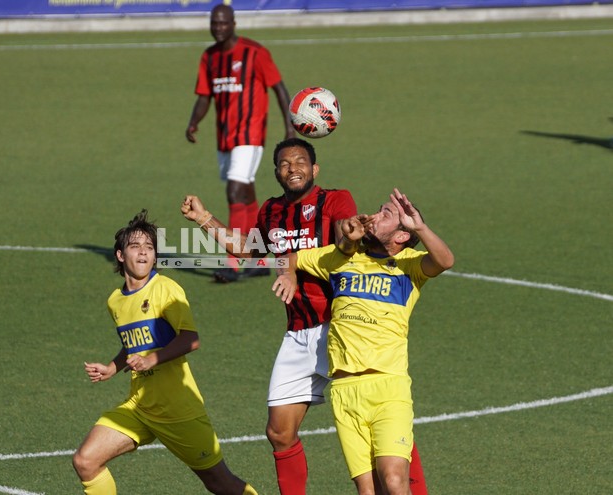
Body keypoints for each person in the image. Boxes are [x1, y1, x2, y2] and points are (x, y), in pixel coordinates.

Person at [272, 189, 455, 495]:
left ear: (401, 236)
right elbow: (289, 258)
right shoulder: (342, 258)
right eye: (379, 209)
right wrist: (289, 274)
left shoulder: (409, 265)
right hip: (345, 390)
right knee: (368, 491)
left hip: (388, 387)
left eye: (386, 214)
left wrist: (420, 227)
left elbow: (445, 261)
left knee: (394, 479)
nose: (375, 215)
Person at [72, 210, 258, 495]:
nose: (143, 252)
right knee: (86, 461)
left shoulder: (166, 289)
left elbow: (190, 338)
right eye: (135, 246)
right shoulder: (115, 301)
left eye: (149, 247)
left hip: (178, 410)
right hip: (140, 406)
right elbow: (134, 343)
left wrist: (151, 360)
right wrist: (112, 367)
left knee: (219, 483)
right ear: (120, 255)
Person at [186, 2, 295, 283]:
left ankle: (232, 264)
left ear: (234, 24)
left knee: (235, 191)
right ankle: (257, 260)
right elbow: (204, 96)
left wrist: (289, 127)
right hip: (225, 137)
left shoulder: (254, 52)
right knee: (244, 193)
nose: (219, 28)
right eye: (214, 23)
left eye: (224, 23)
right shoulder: (209, 57)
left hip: (251, 135)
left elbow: (279, 88)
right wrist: (194, 122)